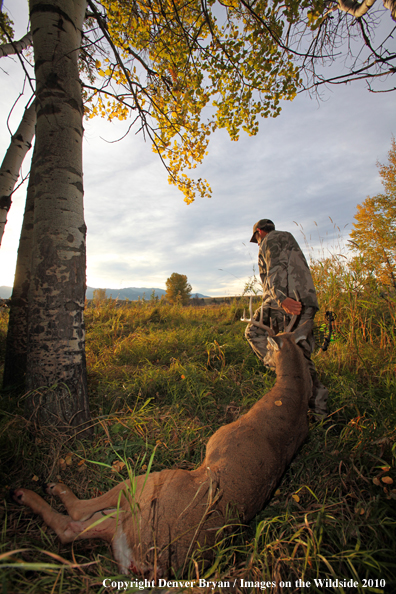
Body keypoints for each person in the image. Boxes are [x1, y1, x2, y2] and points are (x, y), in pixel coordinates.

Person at [245, 218, 328, 417]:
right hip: (294, 300)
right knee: (295, 352)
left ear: (259, 232)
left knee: (297, 354)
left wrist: (282, 299)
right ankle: (287, 372)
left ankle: (319, 412)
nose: (257, 243)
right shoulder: (285, 238)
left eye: (256, 239)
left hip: (288, 303)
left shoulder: (270, 239)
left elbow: (276, 267)